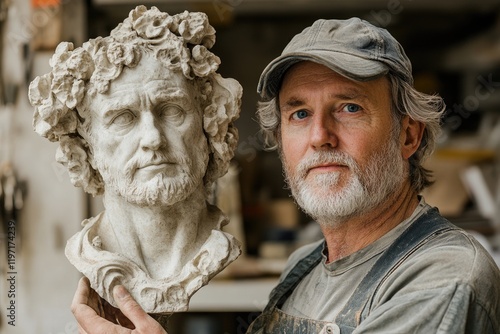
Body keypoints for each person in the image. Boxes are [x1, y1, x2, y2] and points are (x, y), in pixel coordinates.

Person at [70, 16, 500, 334]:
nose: (319, 137)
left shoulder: (445, 278)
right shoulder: (306, 265)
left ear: (408, 135)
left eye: (349, 108)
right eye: (299, 113)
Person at [29, 5, 242, 316]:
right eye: (123, 118)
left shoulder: (218, 248)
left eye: (171, 110)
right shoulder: (87, 253)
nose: (152, 138)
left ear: (208, 124)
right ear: (88, 146)